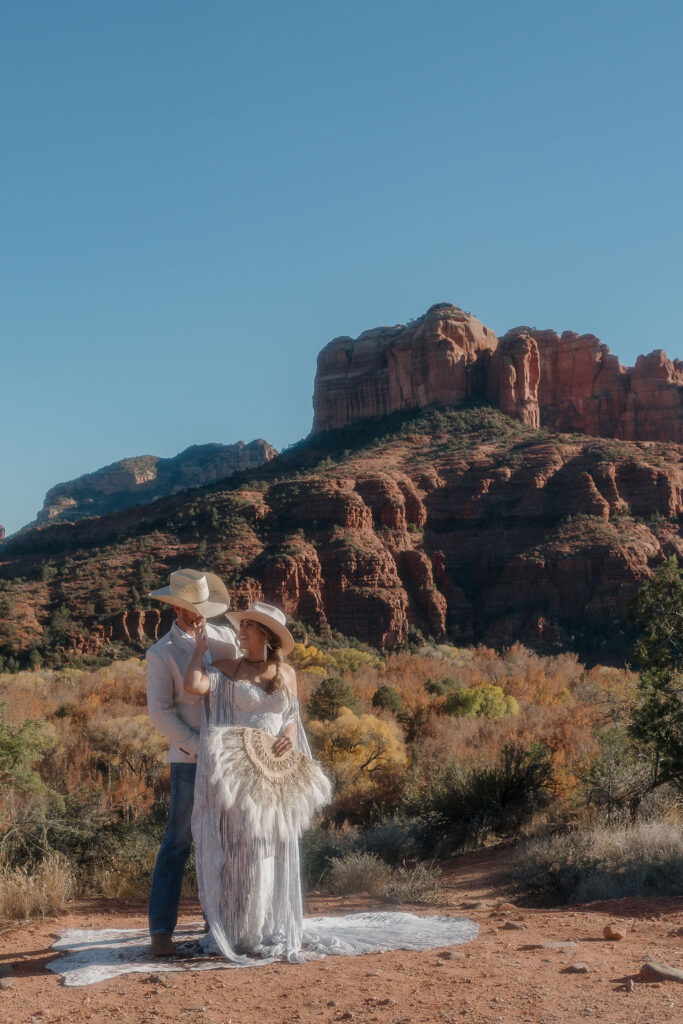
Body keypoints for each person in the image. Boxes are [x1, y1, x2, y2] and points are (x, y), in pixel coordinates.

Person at [184, 600, 330, 963]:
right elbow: (192, 685)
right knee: (244, 849)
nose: (242, 629)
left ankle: (265, 926)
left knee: (270, 845)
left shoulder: (287, 673)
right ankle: (239, 929)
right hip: (241, 769)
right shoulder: (228, 668)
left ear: (267, 634)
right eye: (242, 624)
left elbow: (292, 718)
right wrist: (200, 650)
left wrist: (292, 738)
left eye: (250, 625)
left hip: (275, 769)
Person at [145, 568, 239, 956]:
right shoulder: (161, 652)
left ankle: (215, 921)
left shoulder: (227, 640)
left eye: (200, 606)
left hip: (231, 759)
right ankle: (161, 931)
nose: (195, 613)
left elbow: (240, 691)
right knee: (178, 842)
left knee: (224, 841)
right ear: (176, 607)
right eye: (188, 607)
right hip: (189, 760)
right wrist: (198, 746)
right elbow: (160, 713)